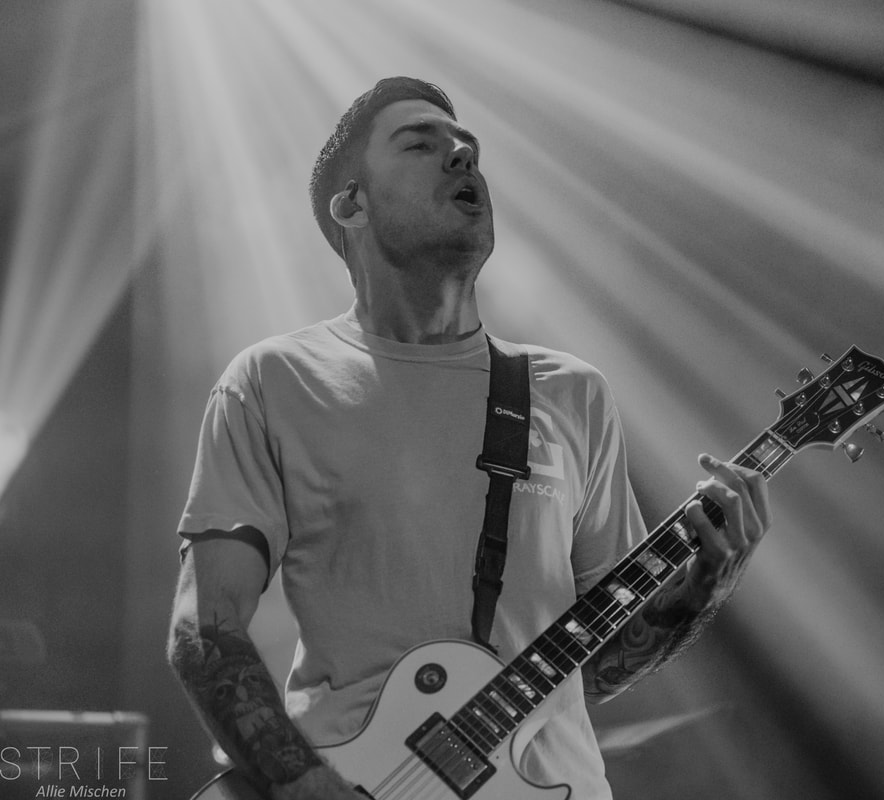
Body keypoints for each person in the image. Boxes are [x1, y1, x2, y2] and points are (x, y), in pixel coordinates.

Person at [167, 77, 771, 800]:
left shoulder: (572, 393)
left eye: (468, 149)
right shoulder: (274, 381)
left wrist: (701, 589)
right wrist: (303, 785)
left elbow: (593, 669)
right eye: (420, 145)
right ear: (351, 204)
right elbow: (205, 628)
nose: (461, 158)